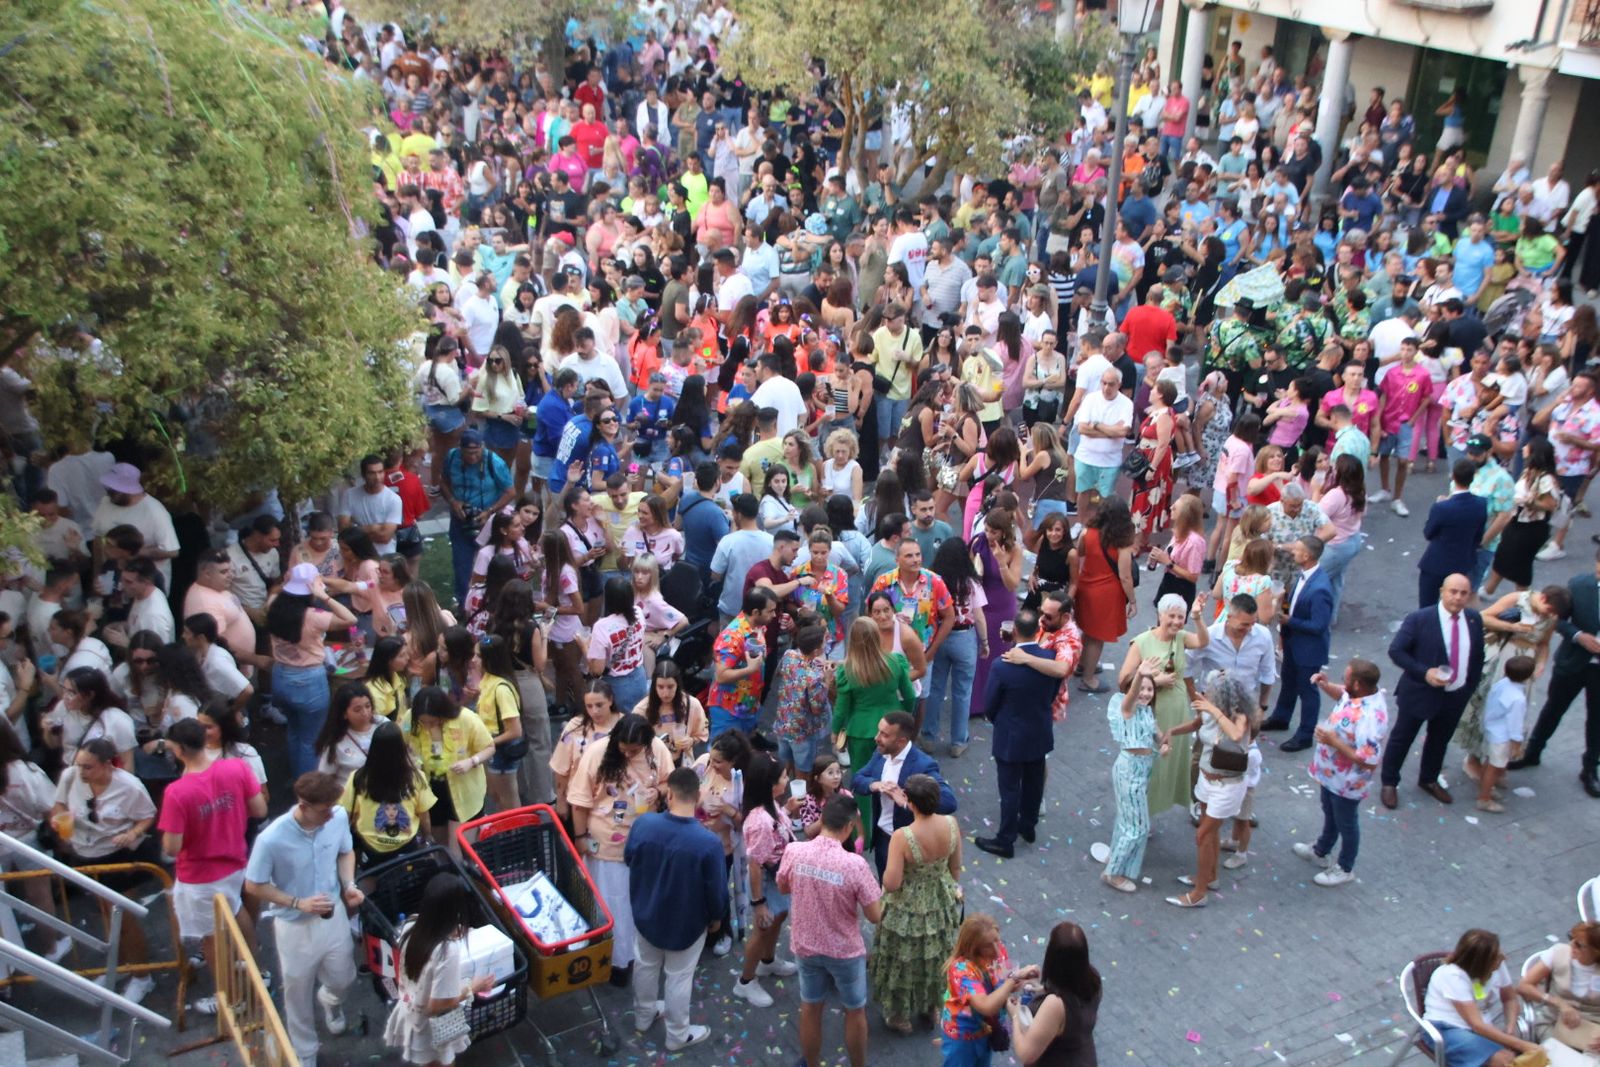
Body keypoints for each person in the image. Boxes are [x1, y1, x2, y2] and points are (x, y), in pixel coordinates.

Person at [244, 771, 364, 1067]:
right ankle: (305, 1052)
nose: (330, 815)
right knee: (296, 993)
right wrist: (298, 902)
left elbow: (346, 853)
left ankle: (331, 1001)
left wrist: (349, 885)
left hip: (332, 914)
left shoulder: (336, 817)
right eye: (324, 810)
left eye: (332, 808)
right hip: (293, 926)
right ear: (303, 804)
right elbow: (254, 884)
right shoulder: (271, 838)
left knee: (344, 976)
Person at [159, 717, 267, 1014]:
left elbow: (172, 847)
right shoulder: (236, 768)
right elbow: (259, 809)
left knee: (212, 940)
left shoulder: (178, 792)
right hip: (235, 860)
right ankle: (256, 975)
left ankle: (232, 1000)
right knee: (236, 911)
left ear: (179, 750)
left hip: (201, 876)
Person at [776, 793, 885, 1067]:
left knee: (811, 1008)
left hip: (806, 946)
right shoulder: (854, 865)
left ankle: (811, 1063)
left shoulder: (795, 851)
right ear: (849, 827)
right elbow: (875, 916)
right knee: (854, 1010)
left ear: (822, 820)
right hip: (845, 952)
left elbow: (783, 886)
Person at [48, 739, 160, 1003]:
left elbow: (147, 816)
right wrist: (58, 820)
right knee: (106, 912)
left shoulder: (129, 787)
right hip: (84, 854)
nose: (81, 772)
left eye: (88, 767)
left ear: (107, 765)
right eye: (79, 766)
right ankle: (121, 965)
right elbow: (59, 805)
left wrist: (131, 833)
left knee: (125, 916)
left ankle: (143, 977)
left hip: (116, 856)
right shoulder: (70, 776)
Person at [567, 713, 673, 989]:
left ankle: (637, 957)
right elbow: (579, 802)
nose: (627, 754)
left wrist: (658, 793)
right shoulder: (596, 754)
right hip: (605, 845)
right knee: (612, 905)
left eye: (634, 751)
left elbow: (669, 782)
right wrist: (579, 837)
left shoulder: (657, 750)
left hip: (644, 843)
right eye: (623, 749)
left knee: (638, 904)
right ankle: (614, 961)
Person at [624, 766, 725, 1053]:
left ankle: (643, 1016)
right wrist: (716, 918)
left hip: (646, 913)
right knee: (679, 977)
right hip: (686, 922)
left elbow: (629, 858)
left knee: (645, 964)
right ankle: (677, 1034)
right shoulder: (708, 843)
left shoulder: (644, 825)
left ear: (669, 794)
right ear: (698, 797)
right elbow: (716, 891)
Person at [1381, 574, 1486, 809]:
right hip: (1420, 692)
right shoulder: (1420, 619)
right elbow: (1397, 651)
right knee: (1402, 737)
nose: (1458, 598)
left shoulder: (1473, 619)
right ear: (1442, 591)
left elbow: (1477, 655)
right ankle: (1389, 782)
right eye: (1453, 592)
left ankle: (1428, 779)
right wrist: (1424, 672)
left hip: (1456, 694)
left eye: (1463, 593)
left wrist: (1469, 686)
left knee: (1440, 740)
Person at [870, 772, 963, 1033]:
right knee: (935, 956)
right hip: (938, 901)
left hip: (907, 908)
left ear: (910, 802)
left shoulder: (903, 836)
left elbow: (892, 882)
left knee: (903, 960)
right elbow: (955, 869)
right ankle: (931, 1006)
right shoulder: (952, 824)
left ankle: (900, 1016)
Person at [382, 872, 496, 1067]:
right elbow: (438, 1004)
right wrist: (472, 987)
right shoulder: (447, 952)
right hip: (431, 1027)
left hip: (411, 1013)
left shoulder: (411, 925)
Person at [1510, 551, 1600, 797]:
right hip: (1573, 661)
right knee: (1553, 708)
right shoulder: (1580, 585)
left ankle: (1590, 769)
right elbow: (1557, 620)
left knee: (1597, 720)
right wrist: (1579, 636)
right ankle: (1533, 752)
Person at [973, 608, 1060, 860]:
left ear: (1015, 632)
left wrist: (997, 718)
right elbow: (1053, 691)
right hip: (1039, 730)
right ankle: (1028, 825)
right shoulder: (1049, 658)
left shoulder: (1003, 666)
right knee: (1034, 783)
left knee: (1010, 789)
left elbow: (990, 703)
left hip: (1010, 734)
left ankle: (1005, 839)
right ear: (1037, 630)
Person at [1116, 592, 1211, 818]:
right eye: (1172, 616)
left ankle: (1154, 808)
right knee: (1150, 765)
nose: (1177, 622)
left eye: (1181, 617)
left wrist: (1197, 617)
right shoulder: (1141, 642)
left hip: (1177, 709)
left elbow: (1203, 641)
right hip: (1152, 709)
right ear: (1160, 615)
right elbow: (1123, 681)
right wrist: (1154, 681)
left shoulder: (1181, 637)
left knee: (1169, 762)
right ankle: (1140, 811)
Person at [1163, 674, 1254, 908]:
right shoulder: (1209, 710)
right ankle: (1209, 876)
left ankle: (1199, 892)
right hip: (1206, 778)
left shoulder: (1240, 715)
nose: (1208, 693)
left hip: (1227, 785)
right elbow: (1196, 725)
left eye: (1212, 691)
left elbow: (1235, 734)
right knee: (1208, 833)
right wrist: (1172, 731)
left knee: (1202, 834)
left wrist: (1214, 710)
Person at [1295, 659, 1388, 887]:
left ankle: (1345, 867)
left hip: (1348, 781)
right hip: (1331, 774)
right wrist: (1325, 685)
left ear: (1357, 684)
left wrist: (1333, 741)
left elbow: (1369, 761)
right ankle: (1321, 850)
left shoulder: (1369, 718)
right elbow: (1343, 695)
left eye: (1346, 678)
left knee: (1346, 822)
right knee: (1330, 811)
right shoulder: (1356, 694)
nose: (1343, 682)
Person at [833, 619, 919, 852]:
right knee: (896, 778)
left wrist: (835, 731)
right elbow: (910, 696)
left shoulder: (847, 670)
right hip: (892, 730)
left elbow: (841, 709)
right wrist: (903, 721)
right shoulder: (895, 662)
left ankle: (864, 836)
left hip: (860, 733)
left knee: (862, 783)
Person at [266, 563, 357, 778]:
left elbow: (276, 592)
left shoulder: (273, 604)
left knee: (294, 731)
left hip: (280, 676)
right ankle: (307, 785)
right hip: (308, 683)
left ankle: (296, 776)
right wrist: (324, 596)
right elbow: (350, 619)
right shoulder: (314, 616)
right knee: (311, 738)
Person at [850, 710, 957, 875]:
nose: (876, 738)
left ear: (901, 741)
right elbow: (858, 780)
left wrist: (906, 802)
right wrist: (875, 785)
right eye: (879, 731)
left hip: (909, 845)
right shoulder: (881, 754)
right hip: (882, 839)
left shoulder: (923, 765)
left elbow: (949, 802)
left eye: (884, 734)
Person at [1421, 929, 1540, 1066]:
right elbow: (1477, 1025)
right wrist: (1522, 1045)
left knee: (1509, 1057)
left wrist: (1510, 1028)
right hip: (1445, 1029)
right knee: (1503, 1059)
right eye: (1495, 958)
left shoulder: (1497, 964)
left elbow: (1509, 998)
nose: (1503, 958)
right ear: (1480, 962)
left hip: (1479, 1027)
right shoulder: (1453, 976)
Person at [1264, 536, 1335, 751]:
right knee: (1288, 681)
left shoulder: (1320, 588)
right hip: (1294, 642)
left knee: (1307, 690)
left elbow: (1319, 625)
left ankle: (1305, 734)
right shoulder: (1304, 576)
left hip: (1309, 649)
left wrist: (1289, 620)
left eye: (1297, 550)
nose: (1293, 552)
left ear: (1307, 556)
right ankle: (1281, 716)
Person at [937, 913, 1035, 1067]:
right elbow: (986, 1006)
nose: (997, 950)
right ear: (973, 947)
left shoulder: (997, 952)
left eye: (998, 940)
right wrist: (1012, 981)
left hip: (986, 1030)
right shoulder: (961, 969)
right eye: (988, 945)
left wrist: (1023, 980)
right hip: (963, 1037)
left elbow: (1002, 982)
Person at [407, 686, 494, 857]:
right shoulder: (409, 719)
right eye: (422, 722)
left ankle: (466, 876)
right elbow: (401, 744)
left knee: (461, 848)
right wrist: (411, 762)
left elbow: (489, 747)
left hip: (464, 790)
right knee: (440, 845)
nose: (427, 726)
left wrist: (472, 761)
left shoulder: (466, 719)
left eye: (432, 722)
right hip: (431, 789)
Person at [1101, 672, 1167, 893]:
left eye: (1150, 689)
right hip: (1129, 770)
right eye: (1142, 688)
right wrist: (1141, 674)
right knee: (1139, 827)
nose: (1146, 693)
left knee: (1126, 818)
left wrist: (1164, 743)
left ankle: (1115, 856)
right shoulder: (1126, 709)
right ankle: (1113, 873)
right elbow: (1131, 695)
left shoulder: (1147, 712)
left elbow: (1158, 734)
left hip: (1142, 769)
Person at [1005, 921, 1102, 1066]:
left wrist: (1015, 1014)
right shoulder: (1093, 979)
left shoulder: (1055, 1005)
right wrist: (1040, 988)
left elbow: (1026, 1054)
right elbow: (1068, 990)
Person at [1071, 496, 1138, 695]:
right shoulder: (1122, 542)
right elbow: (1125, 576)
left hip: (1085, 587)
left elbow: (1079, 552)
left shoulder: (1088, 532)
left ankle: (1082, 665)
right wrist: (1132, 601)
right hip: (1106, 594)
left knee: (1087, 631)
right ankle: (1088, 678)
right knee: (1096, 638)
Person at [341, 721, 434, 864]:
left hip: (370, 847)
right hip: (406, 847)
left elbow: (347, 813)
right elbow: (424, 816)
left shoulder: (358, 778)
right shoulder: (416, 777)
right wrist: (427, 836)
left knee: (370, 880)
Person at [1514, 921, 1600, 1047]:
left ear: (1596, 951)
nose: (1571, 945)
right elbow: (1523, 986)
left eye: (1578, 944)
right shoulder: (1559, 953)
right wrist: (1558, 1003)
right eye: (1571, 938)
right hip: (1553, 1022)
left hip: (1594, 1029)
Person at [706, 587, 779, 736]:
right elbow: (721, 676)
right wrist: (750, 670)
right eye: (770, 611)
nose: (774, 614)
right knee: (724, 754)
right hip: (728, 710)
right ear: (755, 613)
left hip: (748, 704)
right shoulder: (732, 637)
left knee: (742, 752)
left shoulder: (757, 627)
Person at [1418, 461, 1489, 608]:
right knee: (1455, 607)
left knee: (1427, 606)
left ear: (1453, 476)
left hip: (1436, 563)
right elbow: (1478, 536)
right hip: (1462, 563)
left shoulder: (1441, 507)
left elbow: (1428, 533)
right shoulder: (1481, 504)